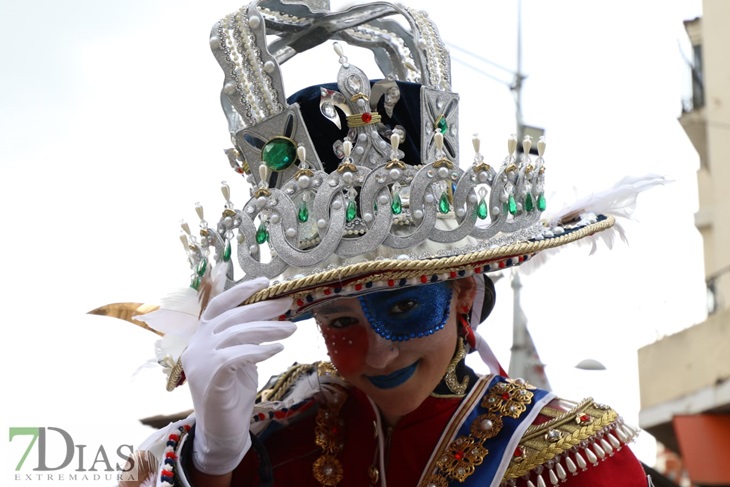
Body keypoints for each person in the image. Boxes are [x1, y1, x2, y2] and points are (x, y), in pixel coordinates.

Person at [115, 1, 654, 485]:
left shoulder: (574, 459)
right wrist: (213, 459)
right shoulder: (284, 428)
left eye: (402, 306)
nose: (377, 353)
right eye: (341, 322)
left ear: (463, 293)